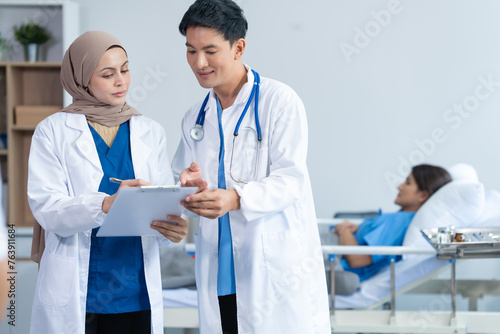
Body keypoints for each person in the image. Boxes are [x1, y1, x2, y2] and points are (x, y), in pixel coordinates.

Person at [172, 0, 331, 333]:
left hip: (270, 268)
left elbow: (290, 180)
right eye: (191, 51)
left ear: (238, 47)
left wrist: (235, 198)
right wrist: (185, 184)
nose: (199, 63)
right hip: (219, 269)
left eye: (210, 51)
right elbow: (182, 176)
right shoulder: (194, 116)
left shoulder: (278, 101)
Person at [27, 31, 189, 334]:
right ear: (83, 78)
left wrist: (174, 227)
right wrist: (105, 203)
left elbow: (162, 204)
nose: (121, 81)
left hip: (136, 293)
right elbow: (46, 207)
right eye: (107, 74)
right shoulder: (53, 131)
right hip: (80, 296)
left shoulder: (149, 131)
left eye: (125, 69)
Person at [330, 164, 452, 294]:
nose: (399, 186)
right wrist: (357, 229)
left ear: (422, 195)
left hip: (338, 268)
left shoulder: (400, 221)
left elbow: (358, 260)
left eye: (408, 183)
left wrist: (345, 230)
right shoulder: (401, 220)